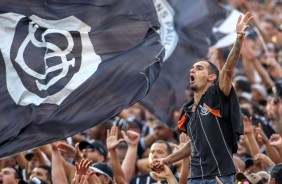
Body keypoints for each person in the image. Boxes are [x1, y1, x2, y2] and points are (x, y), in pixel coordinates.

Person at [151, 12, 253, 184]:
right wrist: (167, 160)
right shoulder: (188, 109)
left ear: (212, 77)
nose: (192, 70)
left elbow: (227, 70)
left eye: (199, 68)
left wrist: (239, 39)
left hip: (220, 175)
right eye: (192, 68)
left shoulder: (217, 95)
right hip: (195, 178)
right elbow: (193, 144)